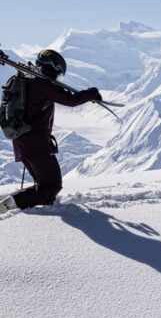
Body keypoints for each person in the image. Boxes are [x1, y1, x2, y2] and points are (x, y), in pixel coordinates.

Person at [0, 49, 101, 213]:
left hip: (22, 142)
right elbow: (71, 99)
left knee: (44, 187)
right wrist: (93, 93)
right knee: (51, 185)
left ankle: (13, 201)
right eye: (59, 74)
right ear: (53, 67)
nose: (58, 79)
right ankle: (8, 205)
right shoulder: (42, 84)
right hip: (35, 144)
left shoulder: (27, 80)